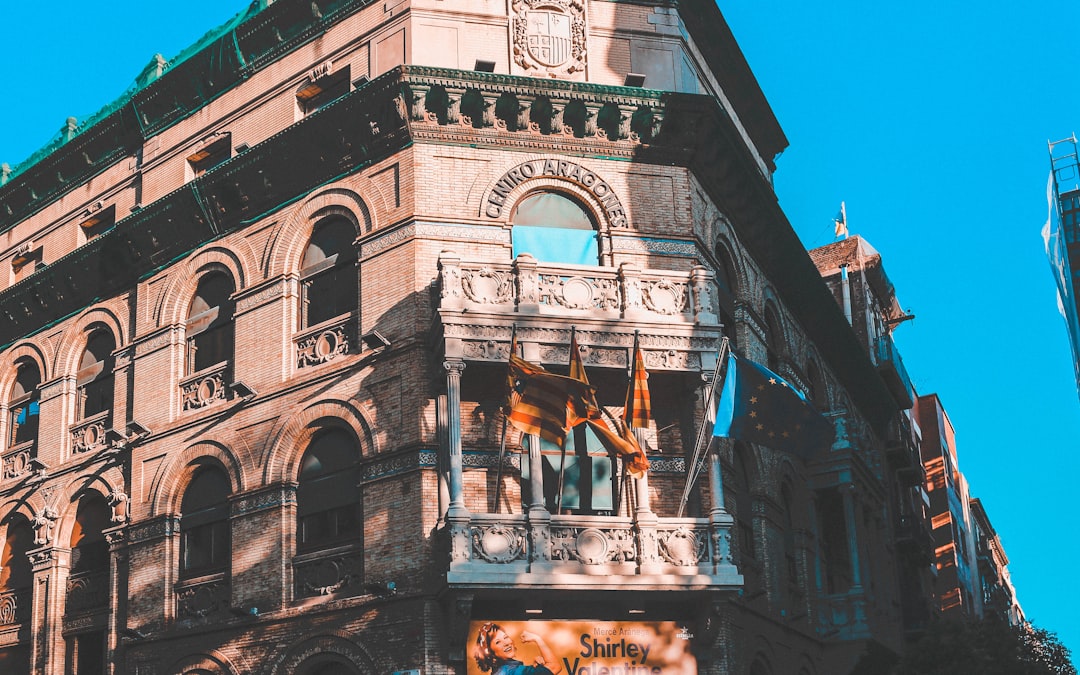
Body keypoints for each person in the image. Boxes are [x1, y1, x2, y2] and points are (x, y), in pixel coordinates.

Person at [473, 623, 563, 675]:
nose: (506, 643)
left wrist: (537, 668)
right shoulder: (510, 671)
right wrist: (537, 638)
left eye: (505, 637)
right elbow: (554, 667)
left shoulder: (501, 671)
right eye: (498, 642)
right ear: (491, 653)